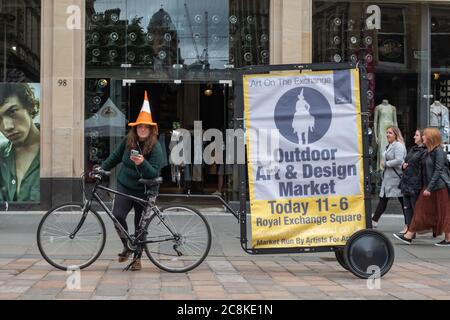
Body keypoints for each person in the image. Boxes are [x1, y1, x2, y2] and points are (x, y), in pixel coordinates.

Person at [100, 91, 163, 270]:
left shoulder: (156, 147)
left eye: (146, 127)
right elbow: (115, 156)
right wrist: (102, 168)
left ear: (151, 130)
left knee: (140, 226)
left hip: (145, 190)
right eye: (139, 127)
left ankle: (137, 258)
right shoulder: (128, 142)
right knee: (118, 216)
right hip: (125, 186)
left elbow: (153, 173)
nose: (142, 129)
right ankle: (127, 245)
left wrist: (142, 163)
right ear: (135, 129)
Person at [394, 128, 450, 246]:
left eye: (424, 136)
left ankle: (448, 238)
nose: (422, 137)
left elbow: (439, 170)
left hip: (439, 186)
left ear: (430, 137)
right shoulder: (428, 151)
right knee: (421, 210)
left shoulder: (438, 151)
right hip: (429, 186)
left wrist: (429, 188)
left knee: (443, 212)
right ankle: (409, 235)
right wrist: (406, 165)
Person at [0, 83, 40, 202]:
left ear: (29, 107)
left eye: (12, 112)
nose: (7, 126)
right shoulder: (1, 154)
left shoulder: (53, 150)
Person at [372, 126, 407, 227]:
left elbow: (399, 160)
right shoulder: (389, 145)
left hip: (396, 179)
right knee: (383, 198)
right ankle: (374, 220)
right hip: (388, 178)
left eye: (390, 133)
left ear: (396, 135)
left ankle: (408, 225)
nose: (387, 134)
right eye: (387, 132)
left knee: (403, 201)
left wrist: (386, 164)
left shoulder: (398, 146)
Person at [398, 129, 427, 234]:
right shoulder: (412, 149)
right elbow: (406, 162)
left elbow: (423, 168)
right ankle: (410, 231)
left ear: (423, 137)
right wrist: (403, 166)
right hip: (406, 181)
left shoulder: (425, 151)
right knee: (407, 208)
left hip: (415, 183)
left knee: (414, 208)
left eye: (417, 135)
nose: (414, 137)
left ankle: (413, 231)